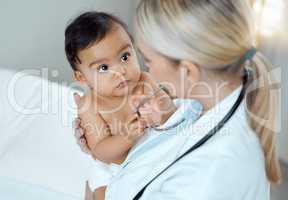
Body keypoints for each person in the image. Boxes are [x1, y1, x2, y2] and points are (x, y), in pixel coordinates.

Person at [75, 0, 282, 199]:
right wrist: (102, 145)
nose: (145, 71)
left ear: (187, 71)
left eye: (147, 60)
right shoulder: (204, 102)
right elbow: (166, 136)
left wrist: (96, 195)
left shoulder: (208, 176)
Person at [65, 11, 203, 198]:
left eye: (125, 56)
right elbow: (100, 150)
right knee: (105, 194)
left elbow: (171, 112)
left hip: (153, 152)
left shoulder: (144, 81)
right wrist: (126, 138)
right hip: (114, 167)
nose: (121, 70)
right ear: (82, 77)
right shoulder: (90, 105)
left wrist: (160, 112)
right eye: (104, 68)